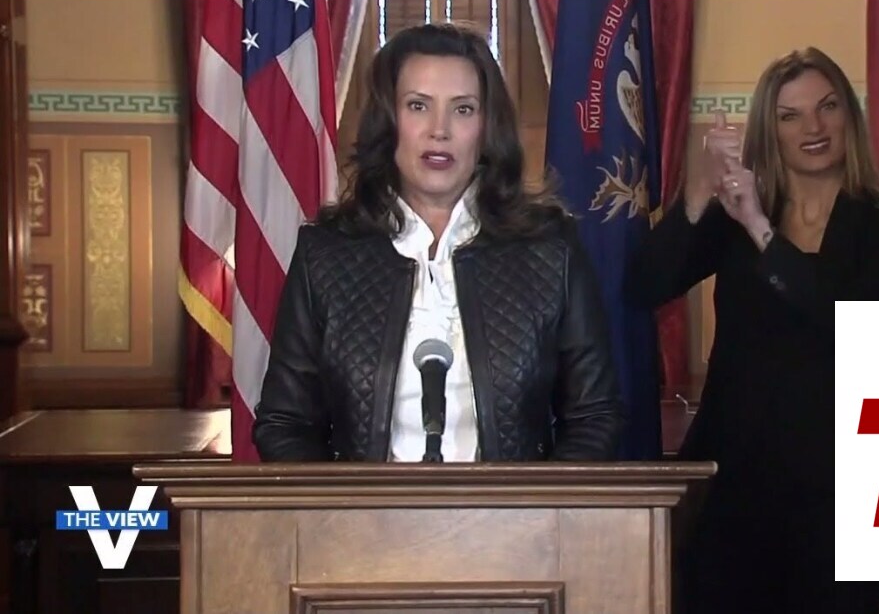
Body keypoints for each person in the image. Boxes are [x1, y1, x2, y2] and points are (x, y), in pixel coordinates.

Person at [626, 47, 879, 612]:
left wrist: (761, 230)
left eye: (827, 107)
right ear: (771, 130)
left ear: (849, 116)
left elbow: (844, 317)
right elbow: (644, 286)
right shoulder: (736, 216)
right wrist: (697, 193)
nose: (813, 128)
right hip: (732, 482)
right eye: (791, 115)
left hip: (835, 491)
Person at [252, 23, 625, 463]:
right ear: (389, 122)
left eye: (463, 109)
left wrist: (535, 502)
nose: (439, 130)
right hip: (361, 508)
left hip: (514, 508)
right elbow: (285, 423)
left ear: (486, 128)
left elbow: (594, 416)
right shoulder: (325, 254)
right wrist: (343, 504)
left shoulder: (550, 248)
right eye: (418, 106)